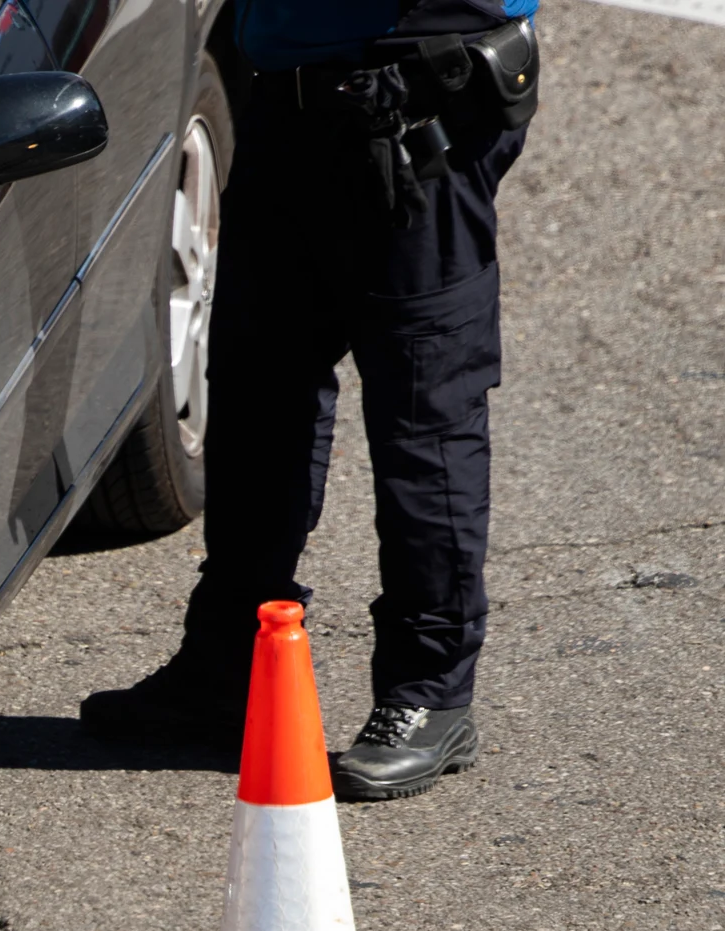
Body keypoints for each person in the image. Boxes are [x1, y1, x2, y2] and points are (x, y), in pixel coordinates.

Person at [79, 0, 539, 802]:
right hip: (292, 94)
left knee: (424, 414)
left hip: (415, 90)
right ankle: (230, 662)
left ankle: (429, 692)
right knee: (260, 393)